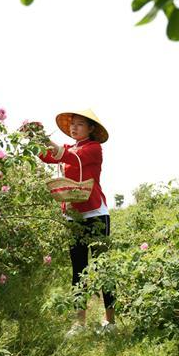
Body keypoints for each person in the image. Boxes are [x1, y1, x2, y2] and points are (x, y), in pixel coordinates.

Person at [38, 109, 116, 337]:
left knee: (103, 267)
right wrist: (35, 138)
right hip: (74, 215)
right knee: (78, 269)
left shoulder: (93, 148)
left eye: (80, 124)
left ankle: (109, 321)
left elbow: (69, 158)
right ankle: (79, 323)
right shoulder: (70, 147)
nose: (74, 128)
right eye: (73, 124)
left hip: (96, 214)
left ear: (91, 129)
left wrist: (46, 140)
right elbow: (47, 156)